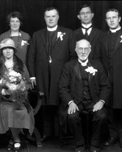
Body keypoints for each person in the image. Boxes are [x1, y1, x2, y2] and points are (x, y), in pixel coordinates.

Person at [27, 7, 76, 140]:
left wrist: (69, 75)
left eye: (53, 16)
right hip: (42, 75)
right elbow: (31, 57)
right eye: (48, 16)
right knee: (44, 104)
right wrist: (32, 75)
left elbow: (72, 56)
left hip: (61, 75)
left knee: (60, 103)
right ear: (44, 18)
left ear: (58, 17)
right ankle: (47, 133)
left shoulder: (68, 33)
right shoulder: (37, 35)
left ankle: (60, 134)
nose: (50, 19)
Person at [59, 39, 110, 152]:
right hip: (76, 101)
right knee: (72, 117)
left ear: (90, 50)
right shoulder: (68, 66)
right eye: (80, 49)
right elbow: (62, 88)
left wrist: (101, 101)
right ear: (76, 50)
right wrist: (71, 102)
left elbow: (106, 86)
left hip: (93, 101)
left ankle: (94, 144)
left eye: (85, 49)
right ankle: (79, 144)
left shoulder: (97, 65)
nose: (83, 52)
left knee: (101, 116)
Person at [96, 8, 122, 148]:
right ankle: (112, 136)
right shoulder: (102, 37)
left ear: (119, 19)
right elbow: (98, 59)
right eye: (109, 18)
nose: (112, 20)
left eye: (114, 17)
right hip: (107, 80)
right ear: (106, 20)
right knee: (110, 108)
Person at [0, 38, 34, 152]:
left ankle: (13, 138)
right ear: (2, 51)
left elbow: (28, 83)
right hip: (4, 100)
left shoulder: (21, 64)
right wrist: (3, 91)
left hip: (20, 99)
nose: (7, 51)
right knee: (9, 110)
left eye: (10, 48)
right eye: (5, 49)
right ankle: (17, 139)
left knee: (21, 110)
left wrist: (22, 87)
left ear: (14, 50)